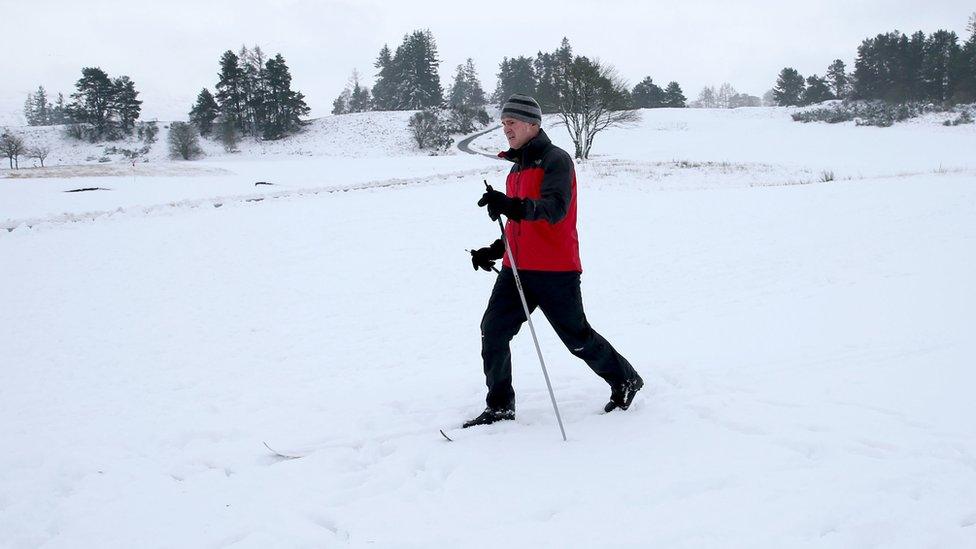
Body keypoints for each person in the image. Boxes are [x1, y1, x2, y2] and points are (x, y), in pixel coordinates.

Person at [464, 93, 643, 428]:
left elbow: (554, 209)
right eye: (503, 123)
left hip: (555, 270)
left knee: (577, 338)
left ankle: (625, 378)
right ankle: (500, 405)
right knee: (493, 329)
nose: (506, 129)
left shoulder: (556, 160)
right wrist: (495, 249)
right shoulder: (516, 169)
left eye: (512, 123)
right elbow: (519, 223)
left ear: (532, 124)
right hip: (516, 269)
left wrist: (513, 206)